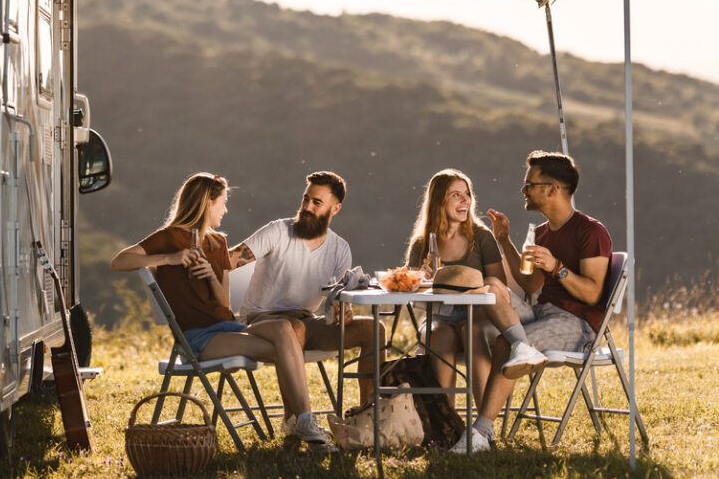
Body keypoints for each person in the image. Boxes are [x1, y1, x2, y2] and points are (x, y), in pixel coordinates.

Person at [110, 172, 332, 444]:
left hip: (230, 326)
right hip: (198, 338)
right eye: (222, 203)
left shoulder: (218, 243)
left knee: (285, 329)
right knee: (287, 348)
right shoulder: (170, 238)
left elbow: (223, 302)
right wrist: (170, 258)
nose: (225, 209)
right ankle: (303, 424)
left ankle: (300, 423)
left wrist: (210, 275)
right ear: (206, 204)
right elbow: (119, 261)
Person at [452, 151, 614, 454]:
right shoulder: (540, 232)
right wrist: (504, 241)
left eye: (530, 184)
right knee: (491, 287)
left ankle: (481, 433)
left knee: (504, 343)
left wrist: (558, 268)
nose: (523, 190)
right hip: (542, 312)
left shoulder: (591, 231)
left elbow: (593, 294)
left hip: (576, 323)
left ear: (552, 189)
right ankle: (520, 346)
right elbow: (529, 284)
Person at [227, 171, 386, 408]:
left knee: (374, 329)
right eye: (306, 199)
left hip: (305, 322)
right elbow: (226, 261)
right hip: (261, 322)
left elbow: (337, 299)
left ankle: (370, 413)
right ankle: (298, 420)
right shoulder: (278, 231)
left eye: (317, 202)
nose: (307, 207)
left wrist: (343, 310)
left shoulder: (340, 249)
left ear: (335, 209)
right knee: (296, 328)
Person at [404, 169, 547, 409]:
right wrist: (421, 280)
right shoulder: (423, 244)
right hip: (441, 316)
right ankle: (446, 423)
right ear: (439, 200)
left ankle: (483, 424)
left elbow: (497, 289)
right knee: (439, 333)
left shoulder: (481, 237)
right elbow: (412, 293)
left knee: (471, 329)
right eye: (456, 195)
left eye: (467, 194)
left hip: (481, 316)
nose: (465, 200)